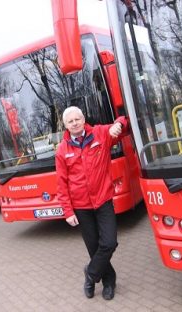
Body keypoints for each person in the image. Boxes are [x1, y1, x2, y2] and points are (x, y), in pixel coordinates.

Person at [55, 106, 128, 301]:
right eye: (70, 121)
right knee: (94, 248)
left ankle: (90, 273)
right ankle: (108, 282)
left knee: (109, 242)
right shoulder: (62, 150)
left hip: (103, 200)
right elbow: (61, 183)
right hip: (81, 207)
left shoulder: (100, 134)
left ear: (83, 118)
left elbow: (124, 123)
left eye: (77, 119)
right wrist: (67, 211)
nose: (75, 123)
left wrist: (119, 124)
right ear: (65, 125)